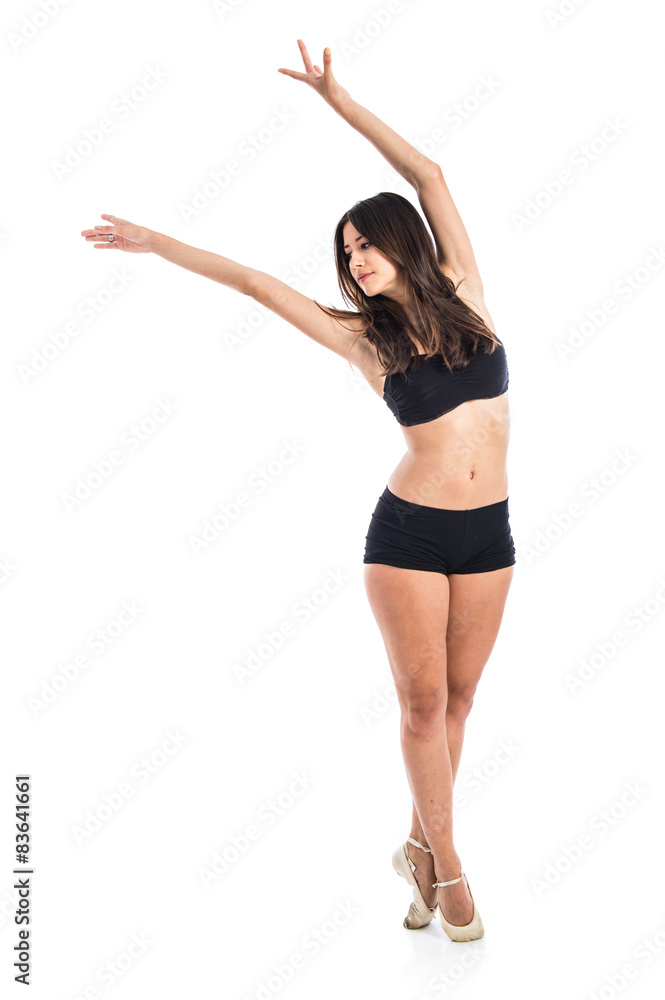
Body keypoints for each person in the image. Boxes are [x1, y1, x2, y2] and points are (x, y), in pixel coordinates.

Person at [81, 39, 516, 943]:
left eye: (366, 243)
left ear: (403, 243)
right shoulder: (364, 342)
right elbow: (253, 283)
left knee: (465, 702)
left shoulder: (468, 293)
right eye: (346, 251)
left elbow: (427, 172)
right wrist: (156, 242)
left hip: (491, 536)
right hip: (408, 537)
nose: (354, 260)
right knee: (424, 708)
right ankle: (456, 872)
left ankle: (419, 852)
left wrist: (338, 101)